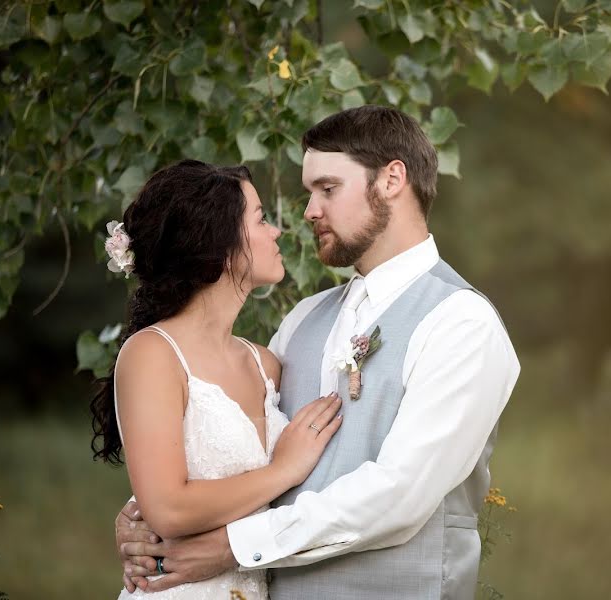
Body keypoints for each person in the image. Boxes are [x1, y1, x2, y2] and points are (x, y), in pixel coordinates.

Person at [116, 106, 520, 600]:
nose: (309, 211)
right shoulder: (303, 319)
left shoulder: (461, 323)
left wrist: (233, 546)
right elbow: (235, 455)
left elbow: (399, 495)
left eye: (328, 189)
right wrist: (147, 520)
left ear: (392, 178)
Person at [90, 160, 343, 599]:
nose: (277, 231)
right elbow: (168, 509)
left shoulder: (266, 365)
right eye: (261, 219)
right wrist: (284, 469)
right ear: (219, 244)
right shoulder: (153, 355)